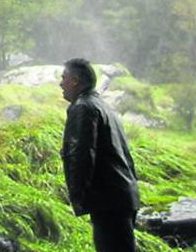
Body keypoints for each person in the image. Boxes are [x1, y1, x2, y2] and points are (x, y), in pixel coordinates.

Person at [61, 58, 140, 252]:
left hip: (108, 199)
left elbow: (82, 154)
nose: (60, 83)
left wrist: (79, 196)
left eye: (64, 78)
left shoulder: (83, 107)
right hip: (122, 195)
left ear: (75, 81)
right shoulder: (102, 105)